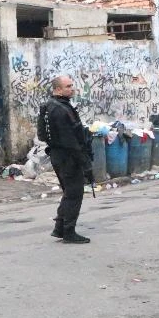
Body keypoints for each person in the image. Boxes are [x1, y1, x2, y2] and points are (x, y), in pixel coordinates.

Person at [38, 75, 94, 244]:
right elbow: (71, 142)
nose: (72, 89)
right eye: (68, 86)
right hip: (68, 157)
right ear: (58, 89)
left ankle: (60, 228)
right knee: (75, 194)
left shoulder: (48, 107)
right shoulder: (61, 110)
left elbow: (42, 134)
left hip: (57, 155)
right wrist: (85, 164)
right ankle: (69, 232)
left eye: (72, 85)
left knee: (69, 192)